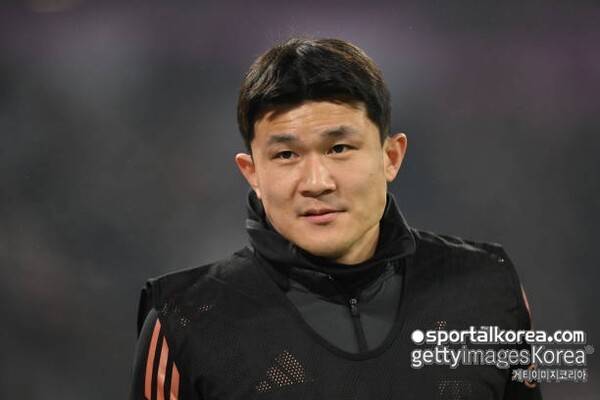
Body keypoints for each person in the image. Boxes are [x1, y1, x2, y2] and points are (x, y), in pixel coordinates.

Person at [129, 37, 542, 399]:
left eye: (339, 148)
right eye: (286, 154)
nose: (316, 182)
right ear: (251, 173)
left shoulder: (488, 287)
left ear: (391, 156)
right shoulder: (186, 319)